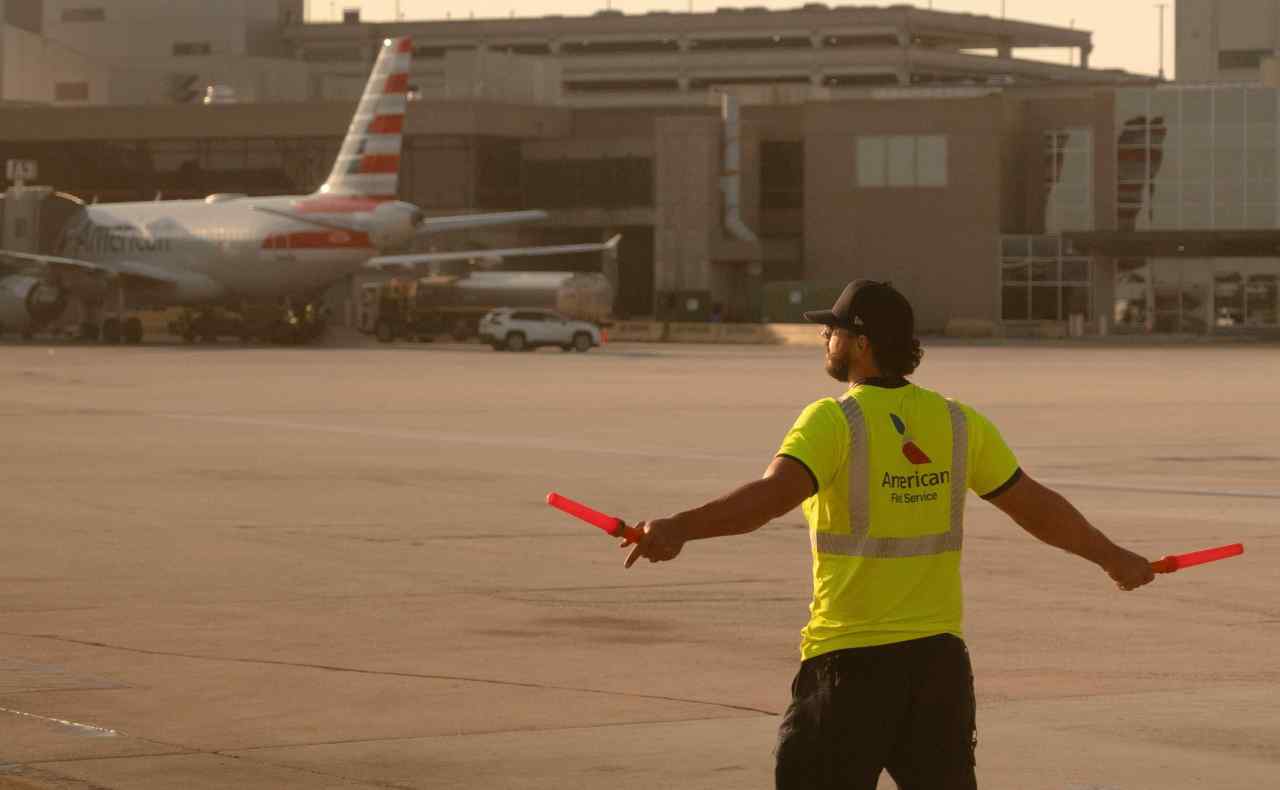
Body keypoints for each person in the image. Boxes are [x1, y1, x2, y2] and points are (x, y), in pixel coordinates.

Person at [621, 280, 1155, 789]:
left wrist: (679, 528)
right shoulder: (958, 422)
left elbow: (769, 497)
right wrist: (1111, 557)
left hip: (850, 667)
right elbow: (1034, 506)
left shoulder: (833, 421)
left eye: (831, 331)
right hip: (938, 670)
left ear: (860, 343)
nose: (824, 339)